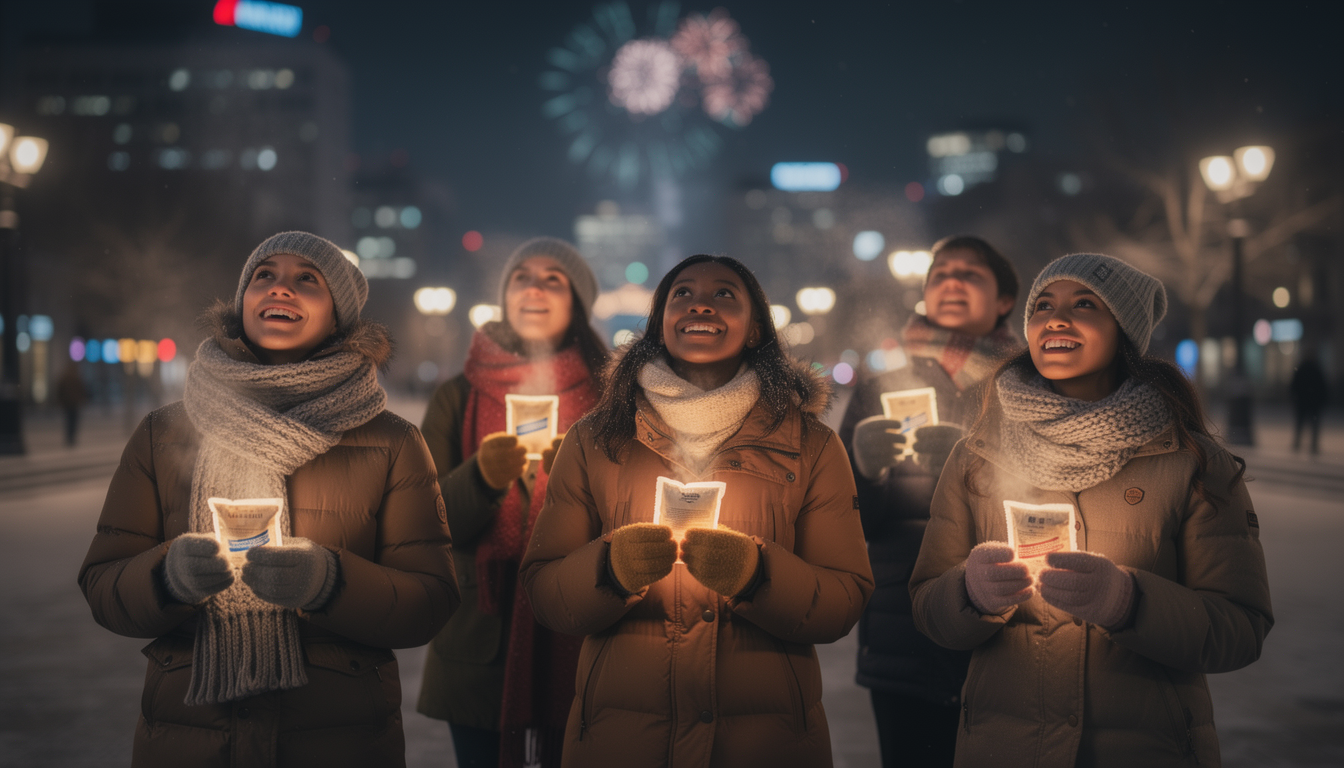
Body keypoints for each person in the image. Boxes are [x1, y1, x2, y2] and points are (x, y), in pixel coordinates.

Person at [78, 231, 460, 767]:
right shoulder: (162, 434)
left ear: (339, 316)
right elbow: (103, 587)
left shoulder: (392, 440)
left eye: (307, 279)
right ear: (242, 303)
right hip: (190, 738)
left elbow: (430, 601)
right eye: (265, 275)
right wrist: (168, 575)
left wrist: (331, 581)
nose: (281, 289)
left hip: (337, 739)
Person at [910, 253, 1273, 767]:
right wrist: (970, 594)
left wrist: (1129, 601)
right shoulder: (977, 456)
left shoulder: (1189, 461)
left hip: (1149, 749)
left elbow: (1241, 628)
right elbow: (927, 607)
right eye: (1043, 305)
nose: (1056, 318)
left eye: (1084, 304)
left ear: (1123, 331)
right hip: (1005, 748)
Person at [520, 254, 874, 768]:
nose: (700, 303)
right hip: (623, 741)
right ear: (659, 324)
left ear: (755, 330)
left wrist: (758, 574)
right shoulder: (595, 440)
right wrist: (609, 569)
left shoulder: (811, 446)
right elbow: (546, 590)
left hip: (763, 744)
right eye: (680, 293)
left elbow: (845, 596)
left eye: (724, 293)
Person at [416, 237, 608, 768]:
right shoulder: (459, 395)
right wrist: (482, 476)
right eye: (521, 276)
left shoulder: (612, 398)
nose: (534, 288)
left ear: (578, 302)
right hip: (482, 640)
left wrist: (579, 483)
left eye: (554, 278)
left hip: (582, 632)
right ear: (505, 296)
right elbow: (424, 521)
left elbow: (631, 513)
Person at [838, 235, 1020, 766]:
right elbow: (852, 523)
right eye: (940, 274)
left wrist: (975, 475)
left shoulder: (1028, 381)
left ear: (1005, 300)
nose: (952, 283)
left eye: (971, 274)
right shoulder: (883, 382)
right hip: (904, 624)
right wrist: (865, 471)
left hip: (1009, 617)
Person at [1289, 354, 1329, 454]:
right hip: (1313, 403)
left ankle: (1298, 443)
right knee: (1313, 425)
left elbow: (1294, 385)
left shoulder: (1301, 369)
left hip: (1303, 402)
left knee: (1300, 424)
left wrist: (1295, 398)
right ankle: (1313, 445)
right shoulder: (1316, 369)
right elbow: (1323, 387)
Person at [56, 361, 89, 447]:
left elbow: (60, 390)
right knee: (73, 421)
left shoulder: (65, 378)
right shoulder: (76, 378)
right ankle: (71, 437)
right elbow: (81, 390)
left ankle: (70, 436)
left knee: (69, 421)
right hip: (73, 403)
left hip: (68, 403)